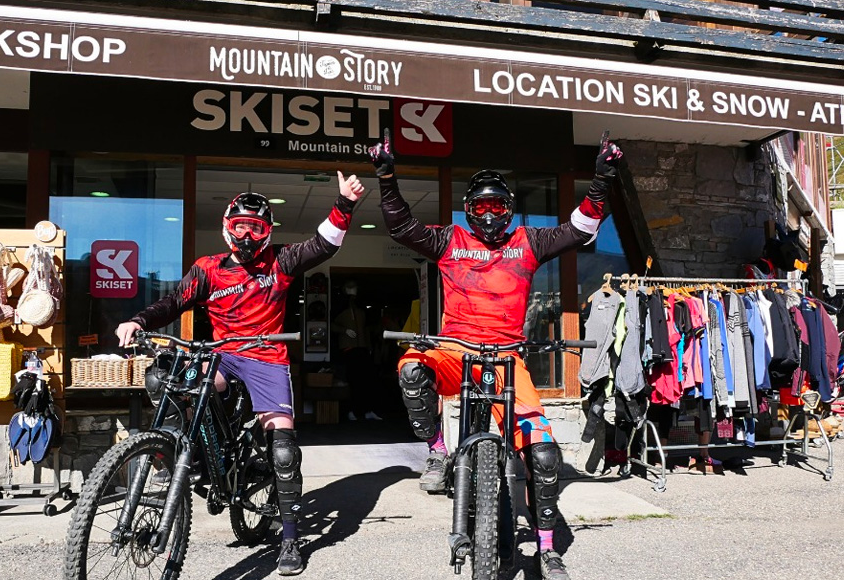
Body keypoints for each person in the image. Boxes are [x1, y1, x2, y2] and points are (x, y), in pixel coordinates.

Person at [367, 129, 622, 580]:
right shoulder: (450, 240)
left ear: (509, 209)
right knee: (409, 366)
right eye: (480, 206)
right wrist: (387, 176)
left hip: (508, 359)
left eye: (498, 206)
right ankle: (437, 450)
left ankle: (546, 550)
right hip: (454, 350)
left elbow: (581, 228)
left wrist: (601, 179)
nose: (489, 214)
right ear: (469, 209)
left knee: (544, 458)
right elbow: (400, 227)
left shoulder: (529, 241)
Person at [115, 172, 365, 576]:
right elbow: (174, 301)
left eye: (256, 228)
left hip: (267, 357)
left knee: (283, 448)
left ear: (267, 232)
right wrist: (139, 320)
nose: (248, 236)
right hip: (223, 355)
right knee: (173, 383)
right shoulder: (208, 268)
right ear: (228, 229)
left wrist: (345, 203)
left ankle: (288, 538)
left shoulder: (280, 262)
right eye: (241, 227)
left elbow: (323, 244)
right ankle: (199, 456)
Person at [331, 279, 383, 421]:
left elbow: (366, 328)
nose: (353, 290)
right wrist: (344, 330)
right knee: (352, 381)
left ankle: (367, 410)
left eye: (354, 287)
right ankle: (351, 411)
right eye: (350, 287)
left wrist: (369, 346)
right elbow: (329, 325)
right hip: (348, 348)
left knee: (367, 380)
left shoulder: (360, 306)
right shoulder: (339, 305)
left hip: (363, 348)